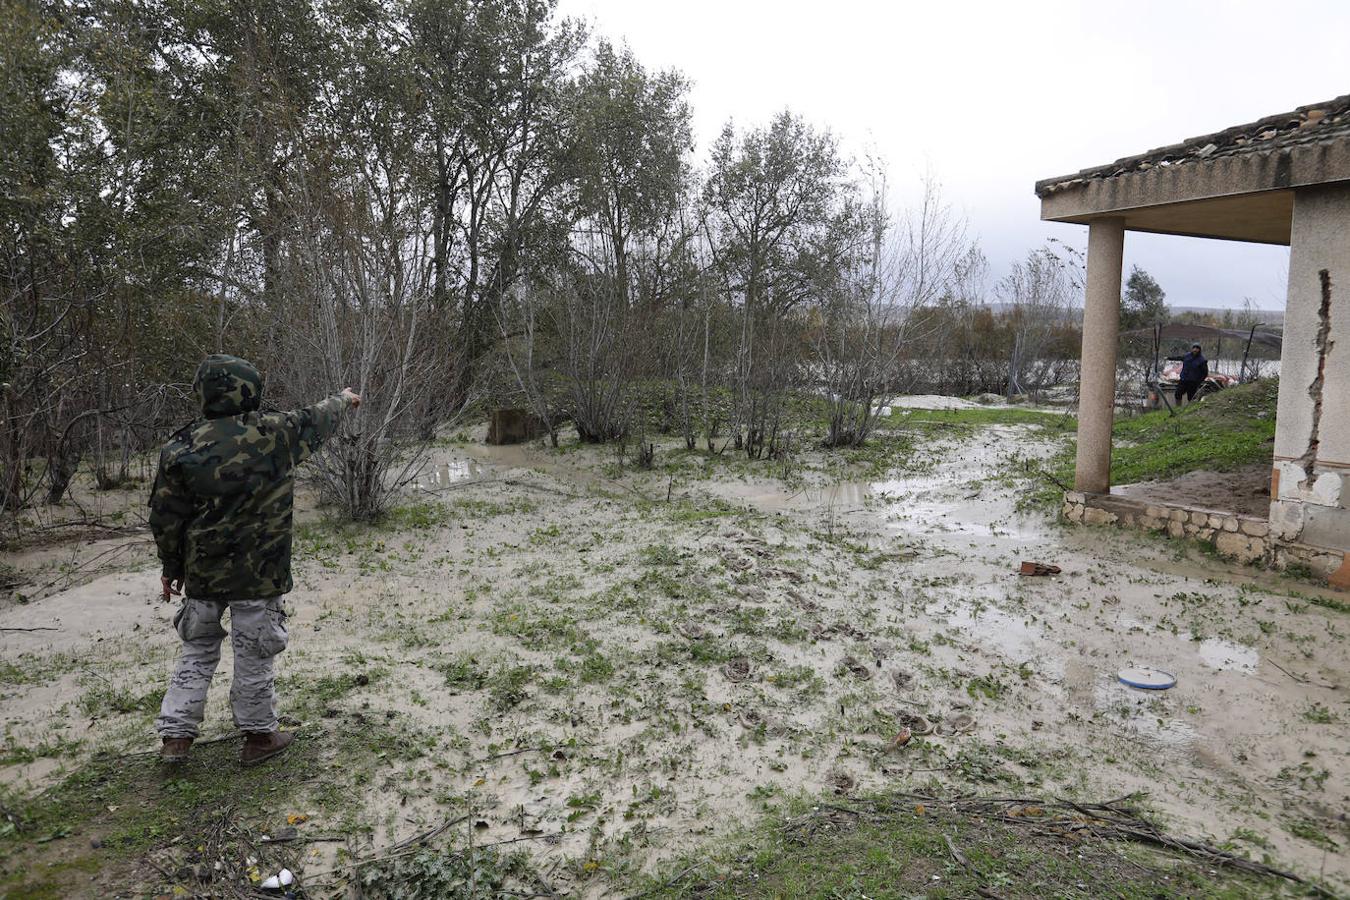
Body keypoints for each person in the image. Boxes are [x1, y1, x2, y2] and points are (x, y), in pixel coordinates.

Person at [149, 355, 360, 766]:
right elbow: (317, 417)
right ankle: (259, 737)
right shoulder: (275, 434)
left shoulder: (179, 447)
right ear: (250, 390)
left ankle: (176, 738)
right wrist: (345, 399)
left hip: (203, 575)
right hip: (259, 575)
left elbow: (165, 516)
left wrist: (171, 568)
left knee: (196, 652)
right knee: (254, 654)